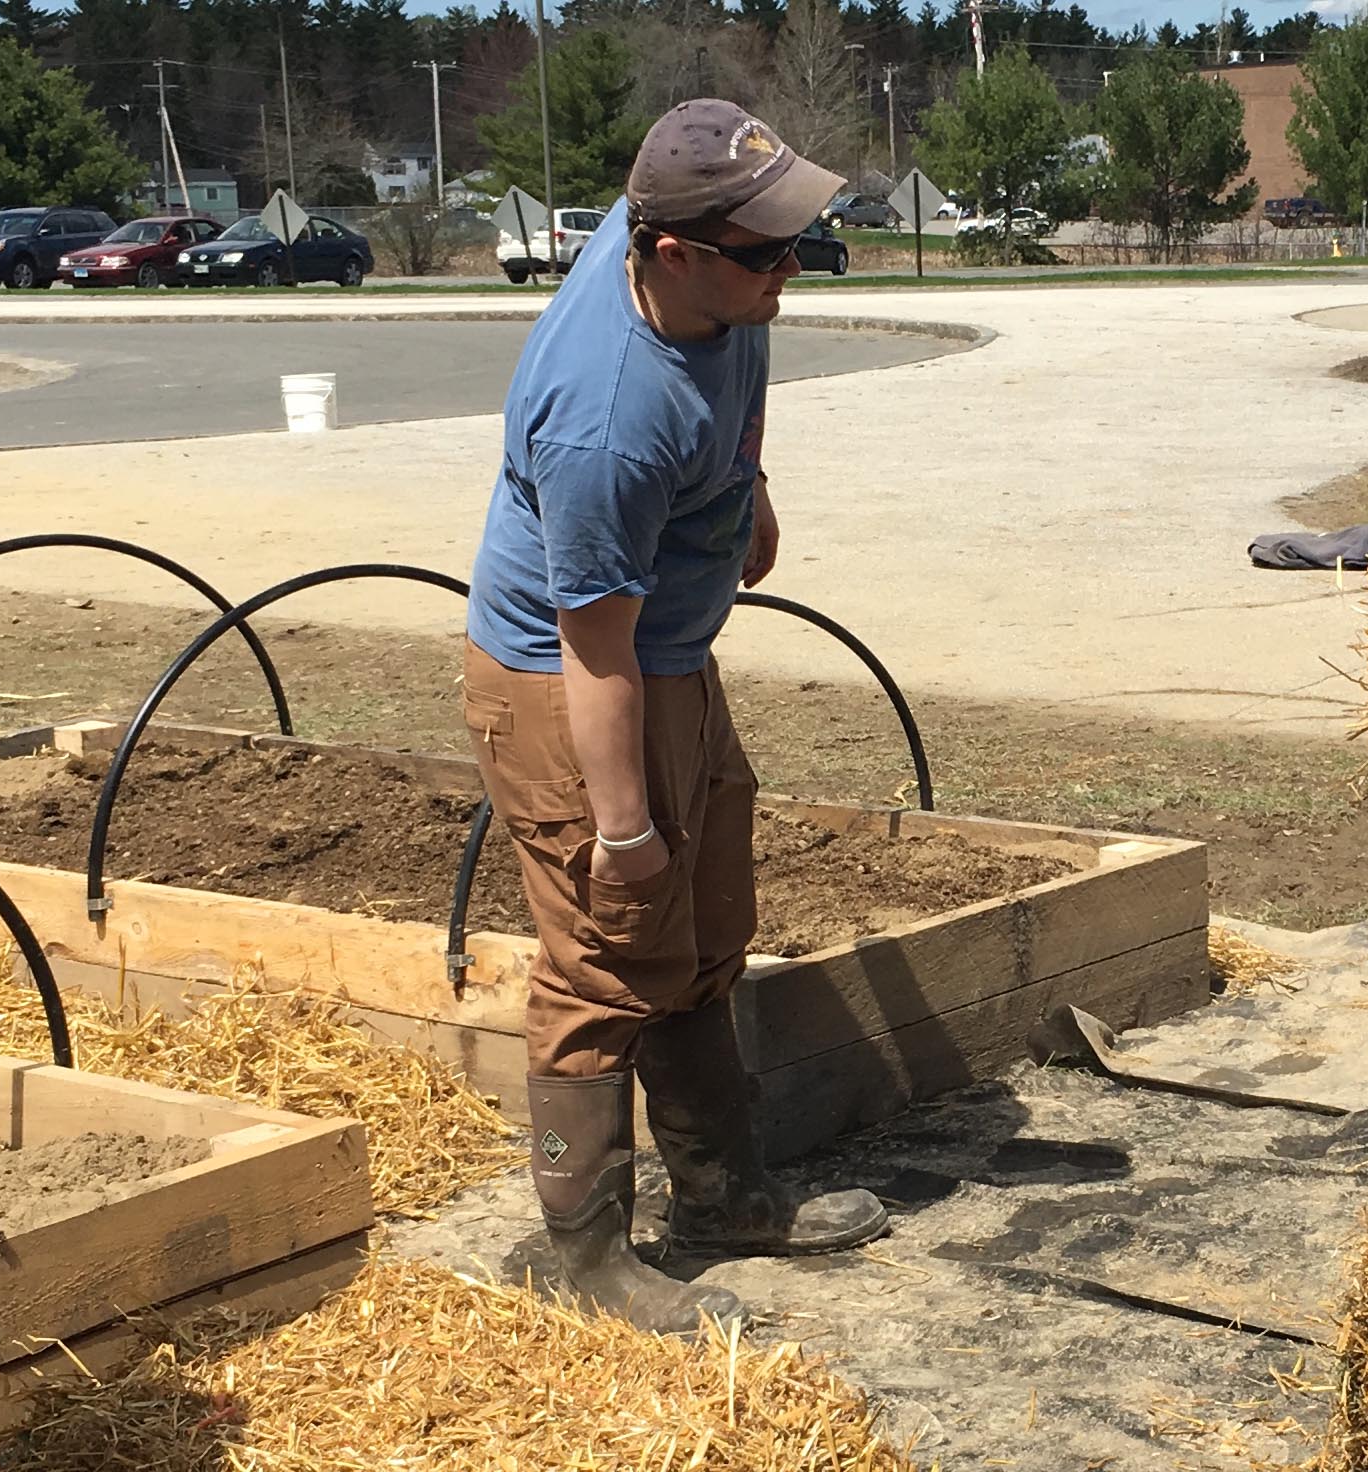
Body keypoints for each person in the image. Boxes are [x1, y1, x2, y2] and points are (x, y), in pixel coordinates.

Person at [463, 100, 889, 1335]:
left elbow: (729, 319)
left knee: (703, 931)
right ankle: (580, 1253)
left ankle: (724, 1197)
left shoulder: (701, 251)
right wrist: (623, 826)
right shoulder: (604, 415)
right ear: (670, 256)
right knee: (611, 950)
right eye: (762, 254)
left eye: (795, 239)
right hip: (571, 684)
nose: (789, 269)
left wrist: (745, 491)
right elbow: (590, 648)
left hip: (669, 656)